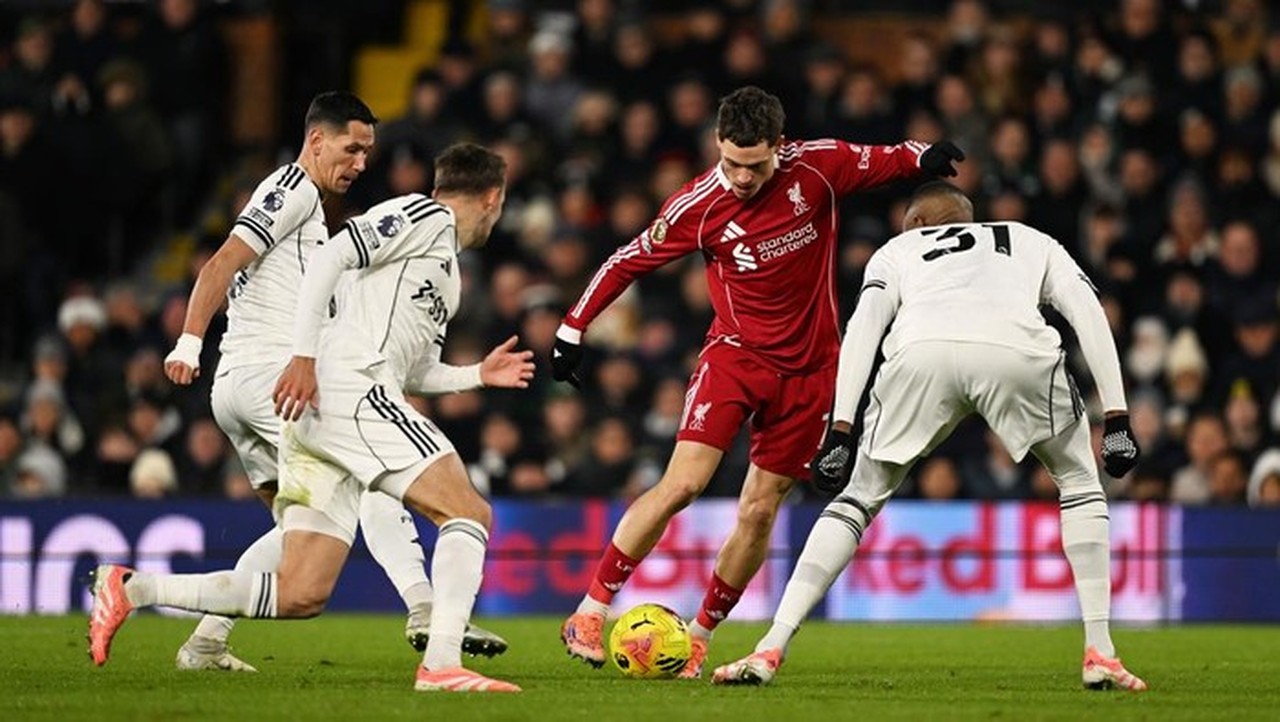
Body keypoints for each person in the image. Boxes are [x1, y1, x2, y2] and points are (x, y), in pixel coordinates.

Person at [550, 85, 965, 677]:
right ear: (718, 144)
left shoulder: (816, 169)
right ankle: (590, 611)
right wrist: (573, 327)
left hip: (813, 371)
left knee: (759, 511)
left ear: (779, 144)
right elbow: (627, 259)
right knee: (683, 484)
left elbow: (885, 158)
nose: (741, 177)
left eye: (754, 164)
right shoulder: (697, 206)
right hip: (735, 357)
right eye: (730, 162)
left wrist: (922, 155)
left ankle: (697, 638)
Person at [105, 143, 528, 692]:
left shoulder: (447, 276)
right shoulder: (427, 216)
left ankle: (133, 590)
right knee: (468, 512)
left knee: (302, 592)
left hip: (328, 409)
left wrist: (475, 375)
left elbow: (418, 369)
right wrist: (303, 358)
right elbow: (333, 255)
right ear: (493, 198)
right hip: (347, 390)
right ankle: (440, 658)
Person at [710, 182, 1146, 692]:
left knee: (858, 498)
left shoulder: (897, 250)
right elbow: (1086, 311)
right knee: (1077, 481)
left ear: (917, 224)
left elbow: (864, 327)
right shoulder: (1030, 239)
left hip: (921, 353)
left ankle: (770, 646)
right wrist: (1116, 414)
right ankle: (1101, 652)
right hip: (1014, 351)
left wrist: (841, 427)